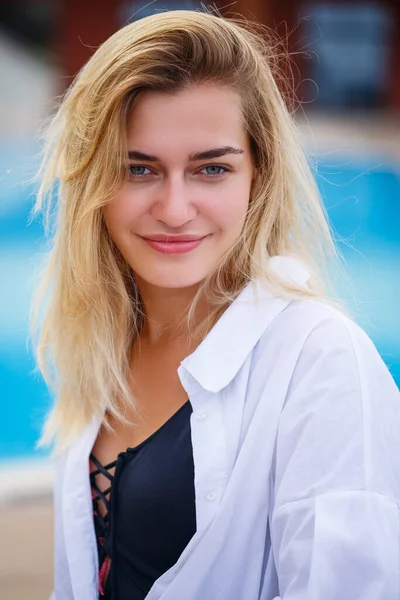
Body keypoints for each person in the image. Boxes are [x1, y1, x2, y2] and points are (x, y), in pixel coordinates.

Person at [31, 9, 400, 600]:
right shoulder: (103, 346)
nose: (175, 209)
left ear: (258, 175)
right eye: (138, 168)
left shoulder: (322, 362)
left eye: (211, 168)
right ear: (92, 183)